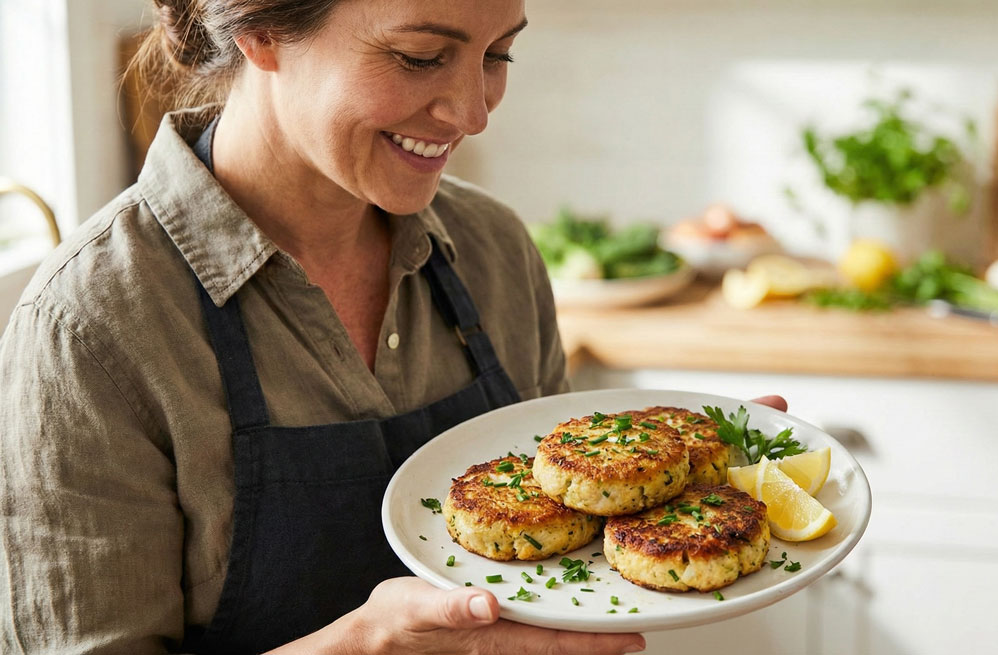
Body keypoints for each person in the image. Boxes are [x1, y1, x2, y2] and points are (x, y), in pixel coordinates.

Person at [0, 1, 787, 653]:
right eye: (419, 57)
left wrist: (692, 478)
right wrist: (364, 646)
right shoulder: (91, 328)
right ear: (262, 32)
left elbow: (580, 552)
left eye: (499, 55)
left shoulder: (494, 251)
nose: (474, 113)